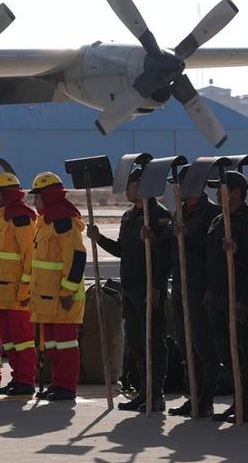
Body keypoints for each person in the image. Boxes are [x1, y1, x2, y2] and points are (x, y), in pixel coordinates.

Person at [88, 166, 172, 412]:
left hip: (149, 289)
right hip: (130, 288)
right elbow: (122, 251)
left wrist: (157, 286)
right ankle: (144, 392)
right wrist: (99, 239)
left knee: (153, 343)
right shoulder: (128, 217)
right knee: (136, 344)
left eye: (131, 185)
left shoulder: (158, 215)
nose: (127, 190)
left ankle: (156, 395)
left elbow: (166, 255)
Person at [202, 171, 248, 423]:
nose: (217, 194)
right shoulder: (219, 220)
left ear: (236, 192)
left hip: (237, 297)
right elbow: (212, 259)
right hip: (218, 295)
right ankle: (238, 400)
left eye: (222, 190)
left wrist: (244, 300)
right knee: (226, 353)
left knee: (242, 352)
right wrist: (209, 289)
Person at [25, 172, 86, 401]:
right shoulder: (46, 222)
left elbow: (77, 257)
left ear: (48, 196)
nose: (34, 202)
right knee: (52, 345)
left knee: (66, 345)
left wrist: (68, 291)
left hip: (63, 298)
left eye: (37, 197)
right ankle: (57, 383)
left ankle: (67, 387)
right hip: (47, 298)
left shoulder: (63, 221)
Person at [167, 166, 221, 417]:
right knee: (185, 344)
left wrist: (186, 237)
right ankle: (193, 396)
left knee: (203, 344)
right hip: (180, 286)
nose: (177, 189)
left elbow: (212, 253)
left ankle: (206, 398)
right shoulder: (179, 213)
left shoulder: (212, 214)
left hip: (200, 288)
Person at [0, 171, 37, 396]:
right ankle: (17, 377)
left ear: (7, 194)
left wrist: (25, 289)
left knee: (22, 340)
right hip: (1, 293)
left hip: (17, 294)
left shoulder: (21, 218)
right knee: (10, 341)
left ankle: (26, 380)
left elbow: (29, 257)